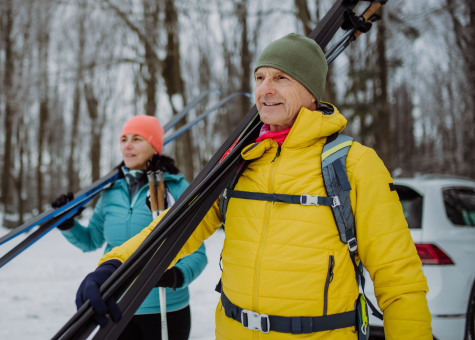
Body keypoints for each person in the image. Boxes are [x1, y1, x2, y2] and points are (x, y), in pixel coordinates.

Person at [75, 34, 433, 339]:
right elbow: (174, 229)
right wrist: (115, 265)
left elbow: (399, 281)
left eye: (280, 78)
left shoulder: (353, 164)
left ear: (310, 91)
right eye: (259, 77)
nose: (265, 89)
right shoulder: (238, 162)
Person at [52, 114, 207, 340]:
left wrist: (177, 275)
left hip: (166, 308)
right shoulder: (110, 191)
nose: (128, 146)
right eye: (123, 139)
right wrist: (67, 225)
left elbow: (198, 251)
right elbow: (91, 240)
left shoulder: (175, 186)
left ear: (154, 146)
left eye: (137, 139)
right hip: (118, 303)